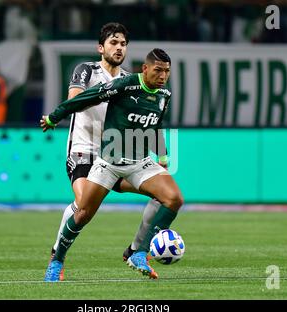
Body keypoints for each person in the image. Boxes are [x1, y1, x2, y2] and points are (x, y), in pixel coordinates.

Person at [41, 48, 183, 282]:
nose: (163, 76)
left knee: (173, 198)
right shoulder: (125, 85)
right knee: (82, 213)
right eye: (158, 70)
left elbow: (156, 126)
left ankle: (139, 252)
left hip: (140, 164)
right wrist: (54, 117)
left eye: (167, 72)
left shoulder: (164, 94)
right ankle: (57, 261)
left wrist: (164, 157)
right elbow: (87, 97)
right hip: (108, 164)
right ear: (145, 69)